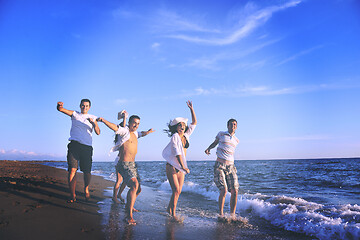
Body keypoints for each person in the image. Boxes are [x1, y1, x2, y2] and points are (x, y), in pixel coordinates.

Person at [97, 114, 154, 225]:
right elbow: (114, 127)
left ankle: (130, 205)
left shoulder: (136, 134)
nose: (136, 125)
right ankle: (129, 215)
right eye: (134, 123)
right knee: (134, 185)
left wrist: (148, 132)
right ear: (129, 122)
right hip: (123, 164)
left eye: (138, 124)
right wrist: (103, 120)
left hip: (133, 165)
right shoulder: (125, 131)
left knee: (138, 189)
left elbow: (142, 133)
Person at [56, 99, 100, 202]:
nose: (84, 107)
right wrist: (59, 106)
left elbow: (98, 132)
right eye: (83, 105)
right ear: (80, 106)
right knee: (72, 169)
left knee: (87, 172)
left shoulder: (93, 117)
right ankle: (72, 195)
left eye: (87, 106)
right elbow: (61, 110)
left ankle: (86, 189)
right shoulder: (75, 114)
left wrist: (94, 124)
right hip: (74, 145)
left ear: (89, 107)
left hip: (87, 147)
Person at [162, 101, 197, 221]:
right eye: (179, 126)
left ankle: (169, 209)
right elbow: (177, 154)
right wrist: (184, 167)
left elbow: (194, 123)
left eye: (183, 125)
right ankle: (173, 214)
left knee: (178, 191)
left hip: (181, 168)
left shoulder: (186, 136)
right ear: (175, 128)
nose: (182, 127)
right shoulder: (175, 137)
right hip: (172, 166)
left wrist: (191, 109)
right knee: (176, 190)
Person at [205, 119, 244, 222]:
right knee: (224, 189)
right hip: (220, 165)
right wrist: (209, 148)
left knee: (235, 190)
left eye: (235, 124)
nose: (233, 126)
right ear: (227, 126)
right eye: (231, 124)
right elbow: (215, 143)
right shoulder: (221, 134)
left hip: (231, 166)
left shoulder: (236, 140)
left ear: (236, 127)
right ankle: (221, 214)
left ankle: (232, 215)